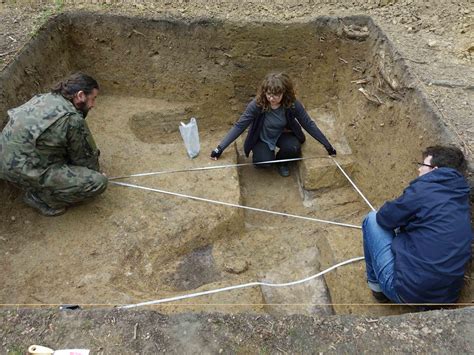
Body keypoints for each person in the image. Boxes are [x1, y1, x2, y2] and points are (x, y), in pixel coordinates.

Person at [362, 146, 472, 305]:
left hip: (409, 293)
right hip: (446, 297)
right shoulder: (460, 195)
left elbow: (384, 218)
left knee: (371, 220)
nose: (419, 169)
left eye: (423, 165)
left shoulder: (424, 188)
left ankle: (377, 289)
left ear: (435, 169)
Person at [0, 72, 107, 216]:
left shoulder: (44, 97)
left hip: (6, 160)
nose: (93, 105)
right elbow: (86, 162)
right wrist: (96, 173)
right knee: (97, 182)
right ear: (80, 95)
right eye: (93, 99)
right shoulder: (72, 118)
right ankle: (39, 198)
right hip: (21, 170)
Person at [210, 72, 336, 177]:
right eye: (269, 94)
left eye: (276, 95)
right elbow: (239, 126)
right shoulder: (257, 104)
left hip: (283, 133)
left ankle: (282, 162)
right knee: (263, 162)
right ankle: (266, 156)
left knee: (293, 148)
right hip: (262, 137)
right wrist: (219, 148)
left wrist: (328, 146)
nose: (271, 98)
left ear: (284, 93)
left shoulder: (292, 104)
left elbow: (308, 124)